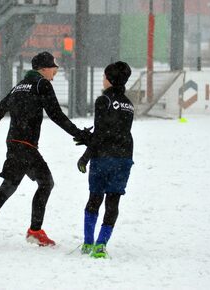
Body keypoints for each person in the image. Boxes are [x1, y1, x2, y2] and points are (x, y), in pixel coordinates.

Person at [0, 51, 91, 250]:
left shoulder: (20, 86)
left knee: (18, 185)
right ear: (43, 69)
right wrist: (79, 134)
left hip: (16, 143)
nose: (56, 70)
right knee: (38, 183)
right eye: (54, 67)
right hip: (25, 146)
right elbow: (56, 115)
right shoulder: (41, 84)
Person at [77, 61, 134, 259]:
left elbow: (101, 134)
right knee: (113, 202)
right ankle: (101, 245)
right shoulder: (129, 104)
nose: (102, 79)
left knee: (94, 198)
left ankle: (87, 242)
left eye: (104, 76)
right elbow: (117, 131)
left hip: (103, 158)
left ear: (109, 79)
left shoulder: (103, 100)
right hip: (124, 157)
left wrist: (85, 155)